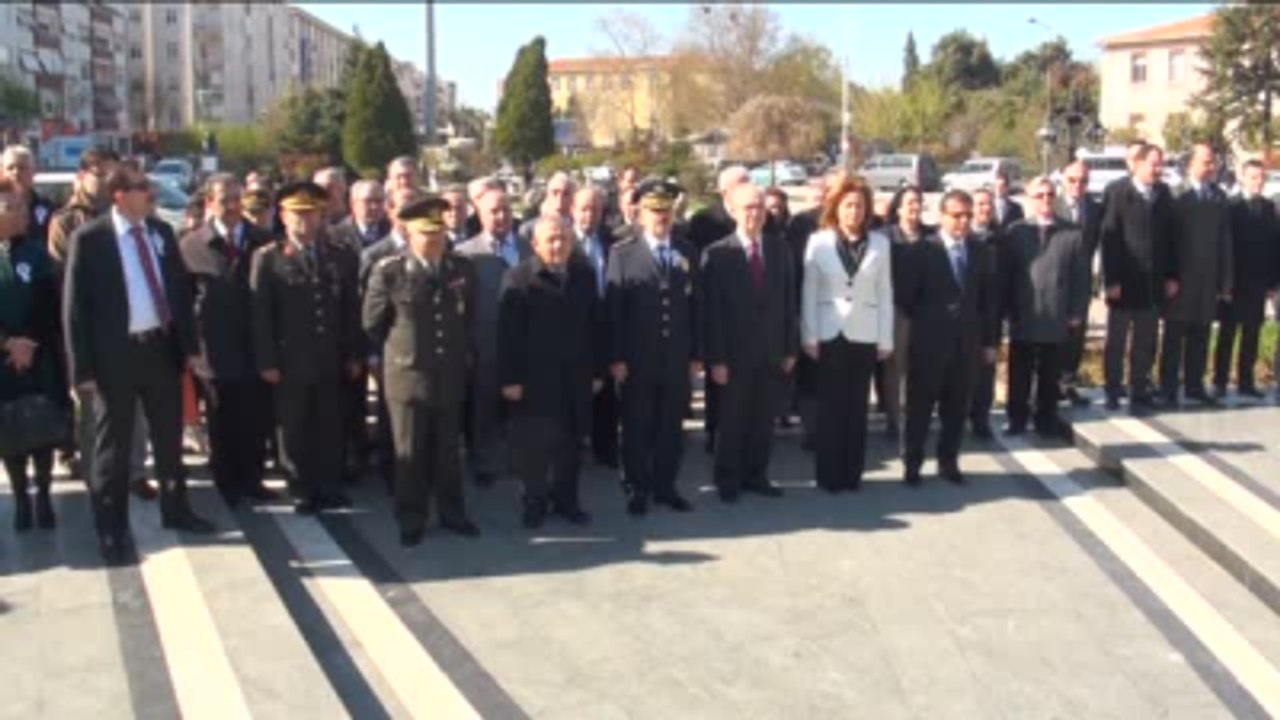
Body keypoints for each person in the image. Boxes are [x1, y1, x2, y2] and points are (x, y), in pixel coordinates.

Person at [64, 165, 215, 564]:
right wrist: (82, 371)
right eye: (141, 188)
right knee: (113, 449)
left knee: (168, 439)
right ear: (119, 195)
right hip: (115, 357)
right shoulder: (91, 238)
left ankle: (176, 508)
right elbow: (75, 310)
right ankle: (111, 529)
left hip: (160, 349)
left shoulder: (161, 233)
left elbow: (178, 294)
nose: (150, 194)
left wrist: (191, 347)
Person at [364, 196, 480, 545]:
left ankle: (452, 512)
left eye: (438, 233)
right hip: (409, 377)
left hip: (448, 374)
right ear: (410, 234)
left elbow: (469, 317)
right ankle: (411, 518)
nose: (433, 241)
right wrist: (401, 353)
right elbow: (372, 323)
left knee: (447, 452)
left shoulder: (461, 269)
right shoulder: (390, 270)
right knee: (410, 453)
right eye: (425, 235)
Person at [250, 181, 361, 514]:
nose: (305, 221)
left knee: (329, 422)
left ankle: (329, 485)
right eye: (297, 214)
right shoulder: (268, 259)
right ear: (283, 217)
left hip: (329, 356)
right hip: (289, 358)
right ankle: (300, 486)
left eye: (311, 214)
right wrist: (267, 360)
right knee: (294, 426)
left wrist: (353, 354)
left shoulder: (339, 256)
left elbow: (349, 310)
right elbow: (261, 315)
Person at [179, 174, 278, 507]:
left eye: (239, 199)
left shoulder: (263, 240)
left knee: (255, 418)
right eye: (225, 200)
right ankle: (228, 482)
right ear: (210, 203)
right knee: (222, 421)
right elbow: (183, 301)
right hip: (214, 350)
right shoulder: (192, 245)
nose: (234, 207)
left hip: (255, 347)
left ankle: (253, 479)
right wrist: (190, 349)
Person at [606, 179, 699, 515]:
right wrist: (615, 356)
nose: (661, 216)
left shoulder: (687, 251)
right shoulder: (623, 253)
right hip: (637, 358)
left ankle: (665, 486)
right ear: (640, 213)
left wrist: (696, 353)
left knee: (670, 425)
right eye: (654, 210)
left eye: (665, 210)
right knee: (636, 425)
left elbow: (695, 306)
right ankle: (636, 487)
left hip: (675, 356)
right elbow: (614, 309)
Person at [498, 216, 597, 528]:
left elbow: (597, 323)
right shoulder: (518, 278)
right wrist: (510, 379)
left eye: (563, 239)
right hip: (535, 379)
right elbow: (507, 334)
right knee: (536, 448)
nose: (557, 245)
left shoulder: (584, 275)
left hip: (575, 377)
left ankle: (567, 501)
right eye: (551, 240)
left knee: (571, 445)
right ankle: (534, 502)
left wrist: (596, 371)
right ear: (536, 244)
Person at [896, 190, 998, 486]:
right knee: (919, 408)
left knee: (956, 408)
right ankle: (912, 463)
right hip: (929, 344)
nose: (963, 221)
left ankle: (948, 461)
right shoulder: (921, 250)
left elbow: (988, 301)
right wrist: (932, 317)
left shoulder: (981, 251)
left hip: (966, 344)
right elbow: (905, 297)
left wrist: (989, 343)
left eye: (968, 215)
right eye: (956, 215)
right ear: (942, 216)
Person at [703, 183, 797, 502]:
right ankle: (727, 479)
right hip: (733, 355)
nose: (755, 213)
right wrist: (715, 359)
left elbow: (788, 301)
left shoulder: (779, 248)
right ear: (732, 210)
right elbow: (711, 312)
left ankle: (756, 475)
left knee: (762, 420)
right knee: (732, 421)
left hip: (771, 352)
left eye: (759, 207)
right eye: (748, 207)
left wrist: (789, 347)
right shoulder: (717, 254)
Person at [799, 176, 894, 493]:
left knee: (856, 409)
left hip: (865, 334)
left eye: (859, 206)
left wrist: (886, 339)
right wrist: (809, 336)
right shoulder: (818, 242)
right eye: (848, 205)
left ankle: (852, 474)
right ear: (836, 209)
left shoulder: (880, 244)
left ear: (867, 211)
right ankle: (828, 476)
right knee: (830, 408)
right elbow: (809, 292)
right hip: (829, 333)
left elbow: (885, 294)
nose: (854, 212)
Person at [998, 177, 1090, 437]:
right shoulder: (1016, 232)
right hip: (1024, 313)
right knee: (1020, 373)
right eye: (1039, 195)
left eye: (1050, 194)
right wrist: (1005, 309)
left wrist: (1076, 313)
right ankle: (1016, 418)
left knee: (1050, 375)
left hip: (1056, 314)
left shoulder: (1072, 233)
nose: (1045, 199)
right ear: (1030, 198)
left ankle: (1045, 419)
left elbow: (1081, 278)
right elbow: (1006, 274)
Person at [455, 181, 531, 486]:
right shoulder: (465, 253)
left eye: (506, 210)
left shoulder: (529, 248)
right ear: (479, 213)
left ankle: (520, 459)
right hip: (484, 344)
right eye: (494, 211)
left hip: (523, 346)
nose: (501, 216)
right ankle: (483, 462)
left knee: (522, 407)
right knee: (483, 408)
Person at [0, 178, 65, 530]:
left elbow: (47, 303)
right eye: (11, 207)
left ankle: (43, 492)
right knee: (9, 432)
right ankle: (21, 495)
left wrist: (28, 342)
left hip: (38, 354)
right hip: (3, 358)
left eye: (22, 205)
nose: (21, 213)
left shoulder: (36, 253)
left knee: (43, 428)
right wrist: (8, 343)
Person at [1101, 143, 1178, 412]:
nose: (1158, 170)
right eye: (1154, 164)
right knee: (1117, 342)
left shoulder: (1164, 195)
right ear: (1140, 163)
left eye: (1161, 165)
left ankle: (1139, 388)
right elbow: (1109, 239)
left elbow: (1171, 239)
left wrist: (1171, 275)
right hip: (1124, 282)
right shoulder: (1120, 193)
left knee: (1146, 342)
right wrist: (1110, 281)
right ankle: (1112, 389)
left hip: (1153, 283)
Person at [359, 186, 426, 489]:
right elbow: (368, 314)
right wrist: (373, 354)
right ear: (390, 212)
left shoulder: (434, 248)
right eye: (403, 208)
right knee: (391, 421)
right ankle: (391, 474)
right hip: (390, 353)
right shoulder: (375, 255)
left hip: (425, 354)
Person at [1161, 142, 1233, 407]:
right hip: (1179, 280)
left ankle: (1194, 386)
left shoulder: (1218, 197)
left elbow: (1225, 241)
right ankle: (1168, 388)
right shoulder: (1175, 195)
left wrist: (1225, 281)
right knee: (1173, 337)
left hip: (1207, 280)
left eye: (1213, 162)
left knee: (1201, 336)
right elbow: (1166, 240)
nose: (1211, 166)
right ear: (1190, 164)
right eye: (1205, 161)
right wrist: (1168, 276)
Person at [1215, 160, 1279, 398]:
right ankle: (1220, 381)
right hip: (1234, 281)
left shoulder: (1269, 208)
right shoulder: (1230, 206)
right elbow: (1223, 246)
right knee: (1228, 333)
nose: (1258, 182)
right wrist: (1223, 282)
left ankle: (1246, 381)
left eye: (1262, 177)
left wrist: (1272, 283)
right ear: (1242, 177)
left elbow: (1274, 246)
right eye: (1253, 177)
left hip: (1258, 282)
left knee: (1252, 334)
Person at [570, 186, 619, 468]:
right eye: (584, 209)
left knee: (607, 390)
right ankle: (574, 445)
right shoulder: (562, 242)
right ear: (574, 211)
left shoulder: (613, 242)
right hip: (576, 326)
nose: (590, 215)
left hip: (606, 324)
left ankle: (606, 447)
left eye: (595, 209)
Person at [875, 185, 928, 438]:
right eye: (909, 202)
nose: (914, 207)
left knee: (921, 368)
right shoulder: (884, 237)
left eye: (918, 201)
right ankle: (895, 420)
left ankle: (918, 417)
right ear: (898, 208)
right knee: (895, 369)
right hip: (895, 310)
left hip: (926, 312)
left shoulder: (931, 236)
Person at [1055, 160, 1103, 407]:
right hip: (1055, 281)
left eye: (1083, 181)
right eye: (1072, 180)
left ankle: (1069, 383)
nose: (1077, 185)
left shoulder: (1094, 209)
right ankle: (1048, 385)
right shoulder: (1052, 205)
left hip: (1082, 281)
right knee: (1053, 334)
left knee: (1076, 335)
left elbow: (1098, 245)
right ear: (1063, 179)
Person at [966, 187, 1001, 439]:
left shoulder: (1002, 239)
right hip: (962, 315)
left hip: (990, 314)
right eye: (979, 204)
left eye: (988, 204)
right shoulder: (959, 238)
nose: (985, 209)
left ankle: (981, 418)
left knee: (986, 369)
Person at [1, 146, 55, 253]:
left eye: (22, 168)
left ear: (34, 171)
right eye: (10, 168)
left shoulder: (48, 208)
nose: (16, 172)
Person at [330, 179, 390, 253]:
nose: (374, 207)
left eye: (379, 201)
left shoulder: (390, 231)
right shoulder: (335, 235)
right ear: (353, 204)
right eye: (368, 201)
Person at [517, 172, 574, 244]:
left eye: (566, 194)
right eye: (555, 193)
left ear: (572, 198)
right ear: (547, 196)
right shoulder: (529, 230)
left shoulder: (577, 228)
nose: (560, 199)